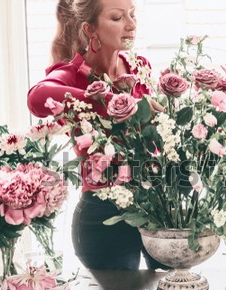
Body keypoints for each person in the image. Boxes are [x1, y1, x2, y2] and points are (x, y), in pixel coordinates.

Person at [27, 0, 164, 270]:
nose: (131, 25)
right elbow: (37, 98)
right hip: (102, 215)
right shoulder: (70, 75)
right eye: (117, 17)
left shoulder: (139, 67)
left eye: (132, 15)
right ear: (91, 30)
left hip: (156, 207)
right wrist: (112, 100)